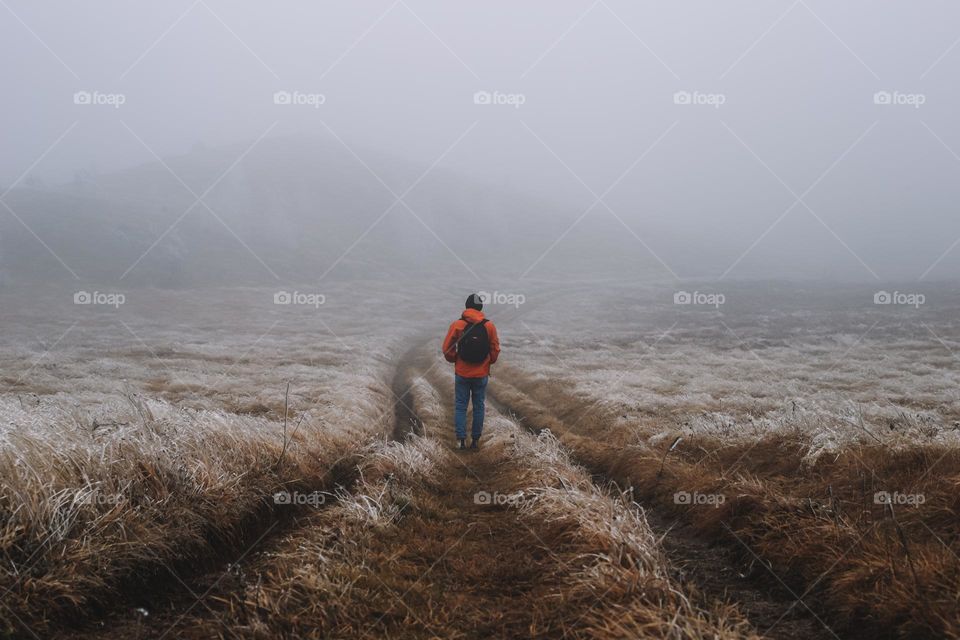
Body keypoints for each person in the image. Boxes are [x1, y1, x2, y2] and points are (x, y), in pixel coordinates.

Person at [441, 294, 500, 450]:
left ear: (466, 307)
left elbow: (447, 348)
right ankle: (475, 441)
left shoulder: (457, 324)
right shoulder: (489, 326)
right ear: (481, 308)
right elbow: (495, 348)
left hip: (462, 372)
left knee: (461, 406)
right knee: (478, 406)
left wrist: (455, 359)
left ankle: (461, 441)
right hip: (481, 374)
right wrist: (488, 361)